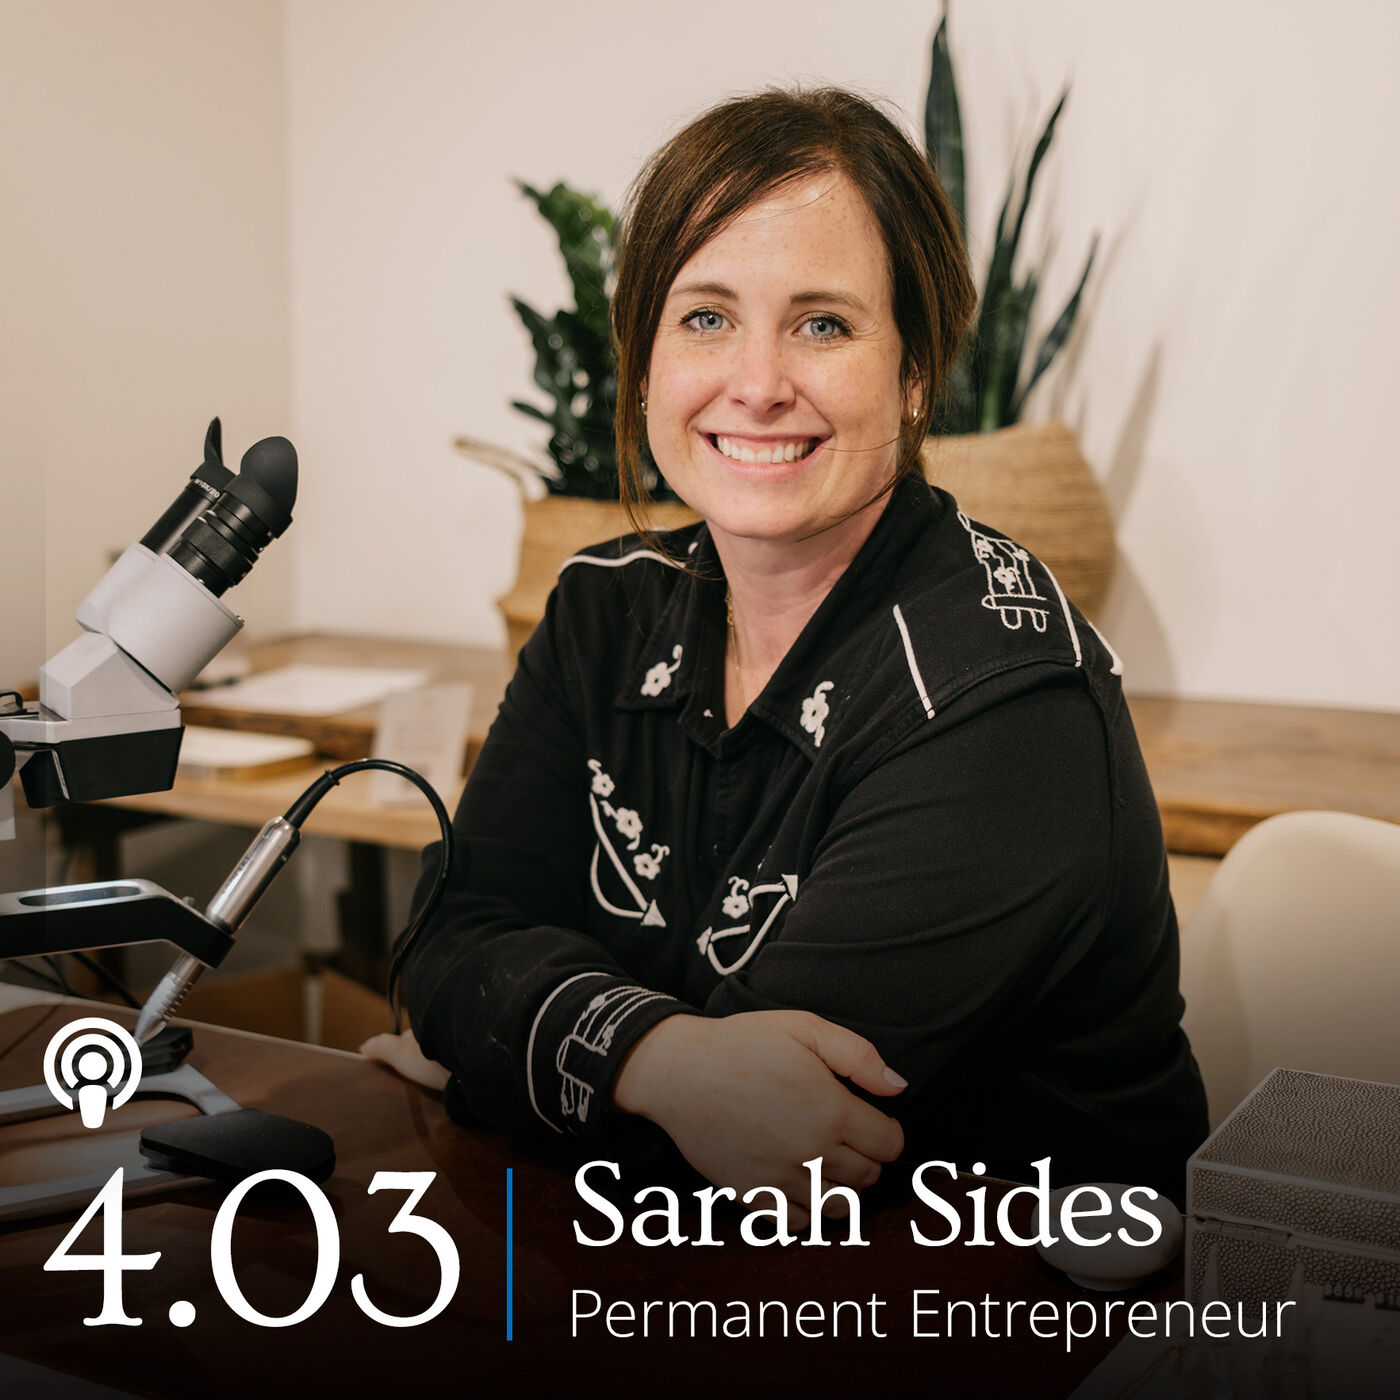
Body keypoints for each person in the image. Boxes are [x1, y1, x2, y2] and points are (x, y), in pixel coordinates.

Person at [387, 87, 1208, 1210]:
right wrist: (653, 1065)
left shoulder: (999, 699)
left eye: (822, 324)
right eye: (704, 318)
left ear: (914, 375)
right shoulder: (600, 611)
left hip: (1006, 1286)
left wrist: (508, 1062)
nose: (759, 384)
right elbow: (445, 940)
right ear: (642, 364)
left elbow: (764, 1146)